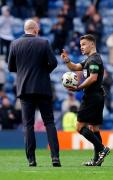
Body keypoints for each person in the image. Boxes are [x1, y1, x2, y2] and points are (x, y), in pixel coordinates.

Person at [8, 19, 61, 167]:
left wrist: (24, 71)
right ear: (36, 30)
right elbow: (54, 63)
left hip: (24, 89)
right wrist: (44, 71)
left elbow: (11, 67)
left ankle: (31, 159)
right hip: (43, 88)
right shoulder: (43, 42)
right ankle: (55, 157)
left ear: (25, 29)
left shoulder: (15, 44)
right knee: (49, 122)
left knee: (28, 125)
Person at [60, 34, 110, 166]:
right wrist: (67, 61)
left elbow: (93, 78)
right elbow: (75, 67)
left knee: (79, 126)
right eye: (81, 45)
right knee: (94, 128)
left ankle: (101, 148)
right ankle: (96, 160)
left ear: (92, 44)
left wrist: (79, 87)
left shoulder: (94, 60)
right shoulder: (90, 59)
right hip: (97, 96)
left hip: (92, 97)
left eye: (84, 44)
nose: (81, 47)